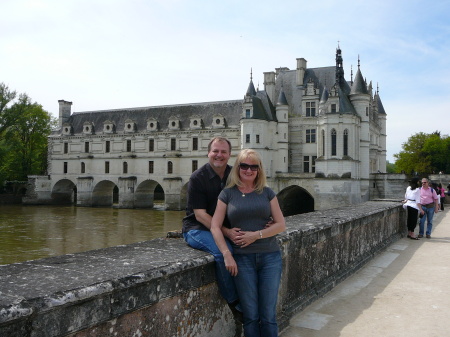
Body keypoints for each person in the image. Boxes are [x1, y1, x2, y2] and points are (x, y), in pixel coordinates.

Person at [210, 149, 286, 337]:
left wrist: (256, 235)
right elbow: (215, 226)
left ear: (259, 170)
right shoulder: (227, 194)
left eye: (254, 166)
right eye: (244, 165)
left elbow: (281, 224)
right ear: (238, 168)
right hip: (242, 260)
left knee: (268, 314)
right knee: (250, 315)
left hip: (270, 257)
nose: (249, 170)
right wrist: (227, 255)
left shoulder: (267, 193)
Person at [182, 137, 243, 323]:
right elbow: (200, 215)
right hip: (197, 229)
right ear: (208, 153)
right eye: (215, 151)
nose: (219, 155)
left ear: (229, 154)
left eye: (223, 152)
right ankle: (234, 303)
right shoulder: (197, 178)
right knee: (222, 253)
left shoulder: (234, 174)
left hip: (222, 227)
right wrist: (227, 232)